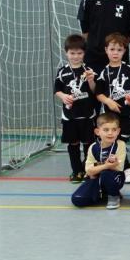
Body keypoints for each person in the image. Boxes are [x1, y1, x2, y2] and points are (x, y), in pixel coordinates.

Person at [93, 33, 130, 184]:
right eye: (112, 49)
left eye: (119, 50)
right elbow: (98, 93)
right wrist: (108, 101)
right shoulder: (104, 72)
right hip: (110, 115)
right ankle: (125, 169)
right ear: (106, 50)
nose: (115, 53)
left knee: (123, 140)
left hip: (127, 113)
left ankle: (123, 166)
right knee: (112, 140)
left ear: (124, 51)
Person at [54, 34, 97, 183]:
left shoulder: (89, 70)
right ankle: (76, 171)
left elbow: (94, 91)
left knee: (88, 144)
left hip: (86, 115)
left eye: (79, 53)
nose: (76, 56)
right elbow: (57, 90)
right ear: (66, 53)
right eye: (72, 53)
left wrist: (91, 81)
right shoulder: (62, 71)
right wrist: (63, 96)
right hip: (70, 116)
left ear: (84, 53)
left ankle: (87, 170)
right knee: (73, 144)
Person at [71, 113, 126, 210]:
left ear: (118, 131)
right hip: (96, 179)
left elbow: (118, 167)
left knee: (106, 174)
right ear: (97, 131)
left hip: (115, 177)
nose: (110, 133)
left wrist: (97, 168)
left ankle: (114, 195)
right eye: (106, 130)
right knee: (77, 199)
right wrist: (106, 165)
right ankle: (102, 194)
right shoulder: (93, 147)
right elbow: (88, 171)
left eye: (114, 130)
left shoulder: (121, 145)